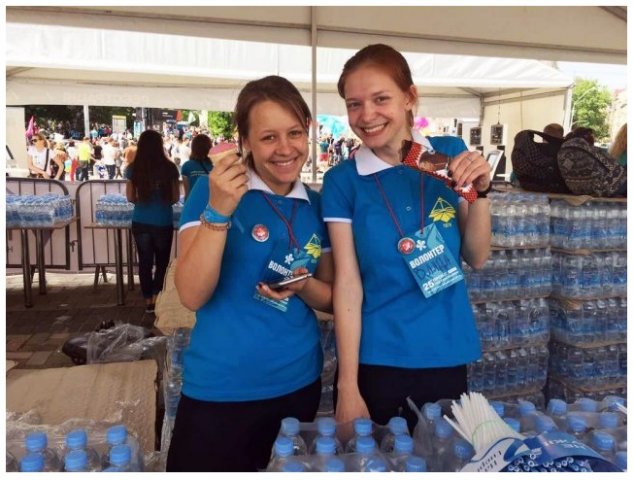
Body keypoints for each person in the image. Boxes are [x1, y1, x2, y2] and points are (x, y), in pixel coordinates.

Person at [321, 44, 491, 431]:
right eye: (354, 104)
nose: (367, 115)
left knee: (440, 456)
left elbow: (477, 255)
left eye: (380, 99)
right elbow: (347, 283)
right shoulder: (343, 181)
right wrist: (347, 386)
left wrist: (481, 194)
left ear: (409, 97)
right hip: (377, 357)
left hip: (446, 351)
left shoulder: (449, 155)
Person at [167, 75, 333, 472]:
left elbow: (330, 297)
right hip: (220, 389)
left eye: (295, 133)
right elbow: (191, 294)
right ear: (245, 141)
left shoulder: (316, 204)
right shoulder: (212, 191)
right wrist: (219, 211)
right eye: (268, 137)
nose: (285, 148)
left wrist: (303, 284)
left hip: (299, 384)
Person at [125, 130, 180, 313]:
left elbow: (130, 197)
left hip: (140, 220)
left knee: (145, 262)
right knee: (162, 262)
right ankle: (157, 297)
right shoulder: (170, 168)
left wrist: (143, 202)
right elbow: (175, 197)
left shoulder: (133, 168)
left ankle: (147, 300)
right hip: (162, 220)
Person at [180, 133, 213, 200]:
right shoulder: (215, 165)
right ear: (209, 148)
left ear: (193, 148)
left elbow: (188, 193)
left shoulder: (186, 166)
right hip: (211, 204)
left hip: (194, 203)